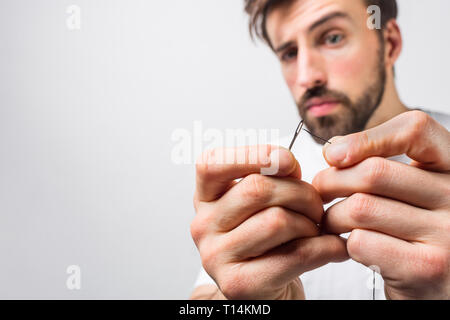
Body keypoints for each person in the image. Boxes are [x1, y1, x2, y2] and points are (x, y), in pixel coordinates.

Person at [189, 0, 450, 299]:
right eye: (289, 53)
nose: (306, 77)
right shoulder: (261, 182)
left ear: (389, 44)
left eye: (332, 38)